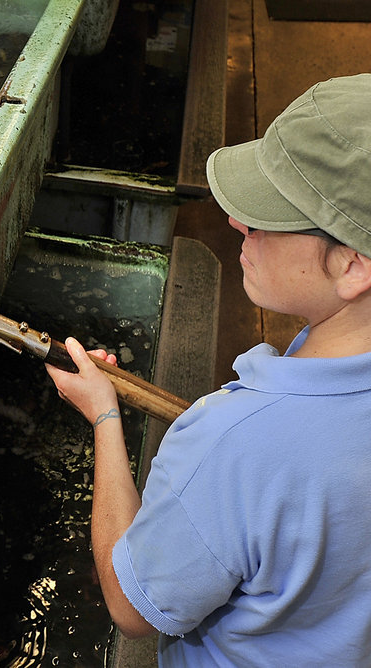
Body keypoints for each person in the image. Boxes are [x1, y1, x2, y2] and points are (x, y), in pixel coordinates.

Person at [46, 72, 371, 666]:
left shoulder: (236, 441)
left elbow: (131, 606)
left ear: (352, 266)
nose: (239, 224)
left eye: (270, 215)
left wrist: (103, 417)